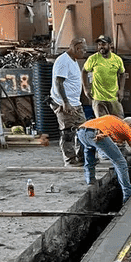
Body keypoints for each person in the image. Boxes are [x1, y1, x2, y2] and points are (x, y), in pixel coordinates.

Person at [76, 114, 131, 204]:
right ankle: (128, 194)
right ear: (130, 126)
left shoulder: (113, 120)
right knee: (121, 162)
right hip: (97, 133)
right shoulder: (126, 129)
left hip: (81, 132)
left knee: (89, 153)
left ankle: (90, 179)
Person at [50, 37, 87, 166]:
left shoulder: (73, 60)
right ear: (77, 48)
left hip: (75, 103)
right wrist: (65, 102)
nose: (85, 52)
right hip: (64, 104)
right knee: (68, 133)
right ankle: (70, 160)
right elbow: (58, 83)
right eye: (84, 49)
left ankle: (81, 157)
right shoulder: (63, 61)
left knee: (84, 130)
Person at [82, 35, 126, 117]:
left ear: (110, 45)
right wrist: (86, 88)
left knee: (119, 122)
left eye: (103, 44)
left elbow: (122, 74)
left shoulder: (117, 60)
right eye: (99, 44)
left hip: (114, 97)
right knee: (102, 125)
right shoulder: (93, 59)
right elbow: (84, 71)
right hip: (98, 98)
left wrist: (121, 90)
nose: (101, 47)